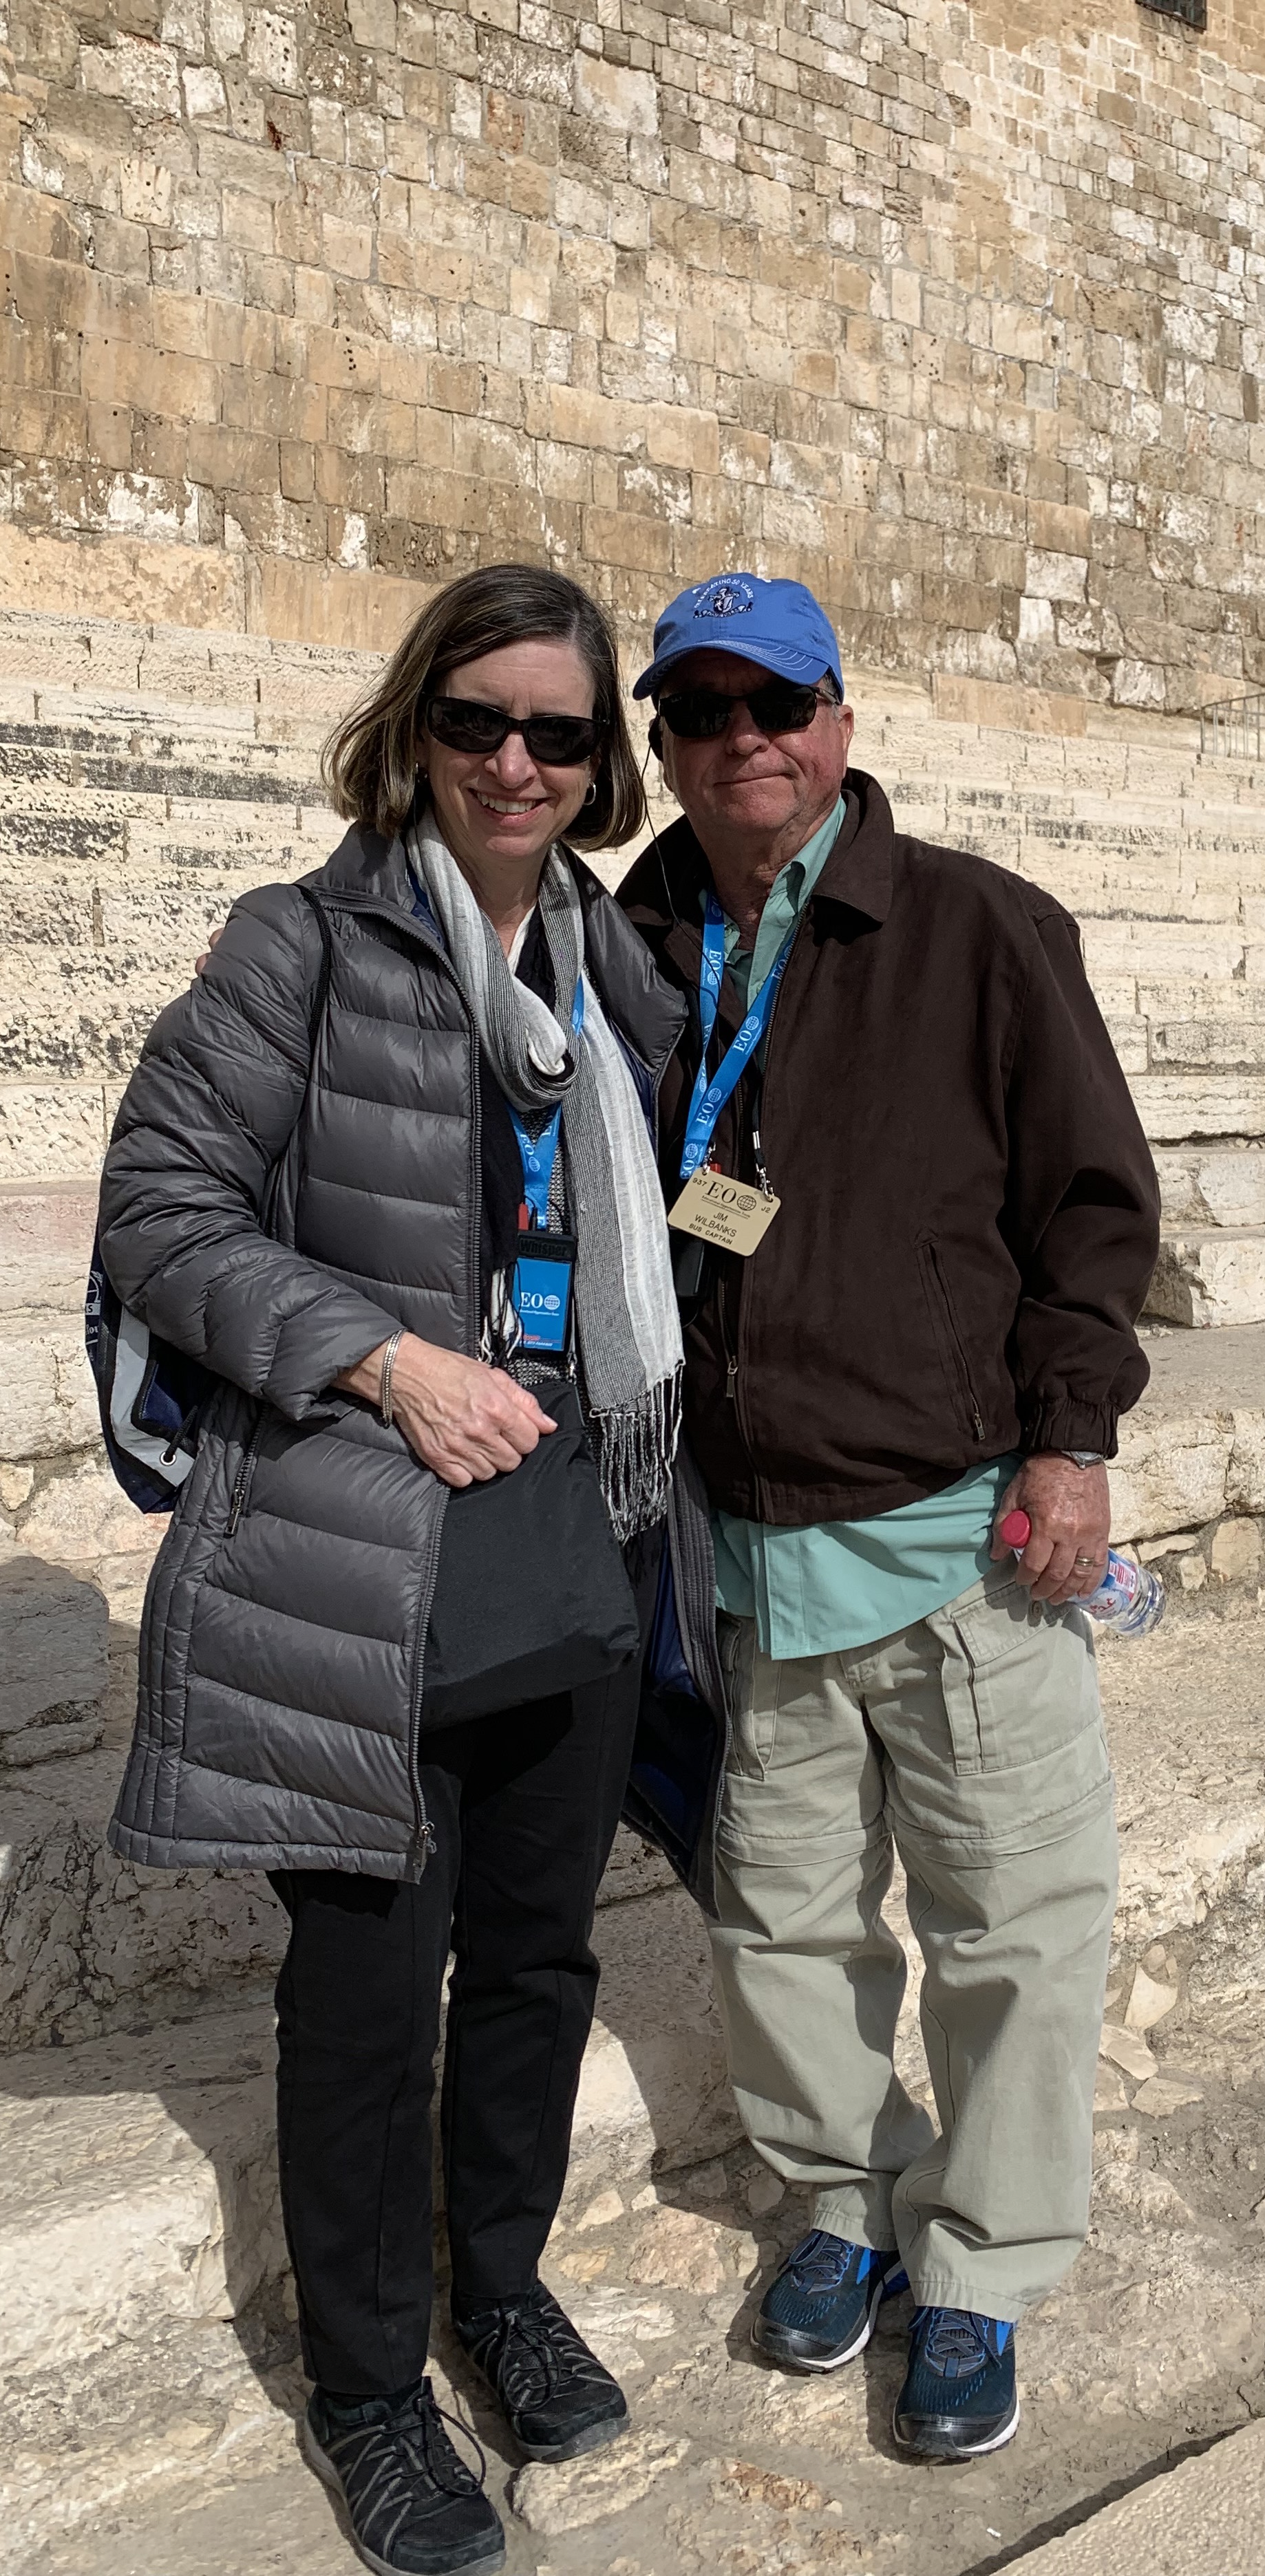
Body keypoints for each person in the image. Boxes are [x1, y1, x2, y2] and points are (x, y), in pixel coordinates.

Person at [97, 564, 725, 2576]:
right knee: (368, 1991)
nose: (516, 763)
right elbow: (158, 1207)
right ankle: (370, 2388)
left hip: (582, 1536)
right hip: (364, 1553)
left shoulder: (618, 969)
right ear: (415, 727)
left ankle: (504, 2289)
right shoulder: (303, 944)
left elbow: (687, 1210)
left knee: (538, 1953)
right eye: (479, 721)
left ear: (601, 759)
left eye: (559, 731)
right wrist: (382, 1357)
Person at [616, 572, 1161, 2461]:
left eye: (775, 703)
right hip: (751, 1544)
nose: (742, 740)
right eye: (701, 712)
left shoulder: (978, 927)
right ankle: (845, 2203)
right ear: (663, 747)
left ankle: (985, 2262)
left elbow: (1093, 1203)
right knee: (779, 1921)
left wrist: (1072, 1442)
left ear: (839, 720)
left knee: (1012, 1924)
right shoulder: (634, 942)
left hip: (958, 1541)